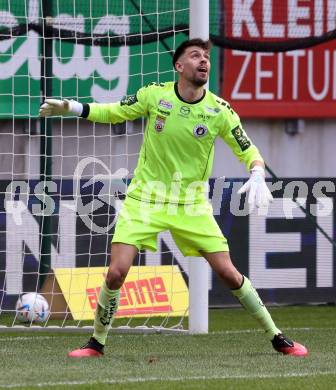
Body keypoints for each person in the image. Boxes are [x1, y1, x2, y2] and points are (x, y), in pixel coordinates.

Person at [40, 38, 308, 358]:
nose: (203, 60)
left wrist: (257, 172)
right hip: (145, 200)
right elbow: (113, 112)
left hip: (192, 205)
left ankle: (277, 337)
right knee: (116, 272)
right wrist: (73, 108)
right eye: (195, 55)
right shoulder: (155, 95)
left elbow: (248, 149)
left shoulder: (219, 110)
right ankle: (96, 343)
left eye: (206, 56)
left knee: (229, 273)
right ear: (179, 66)